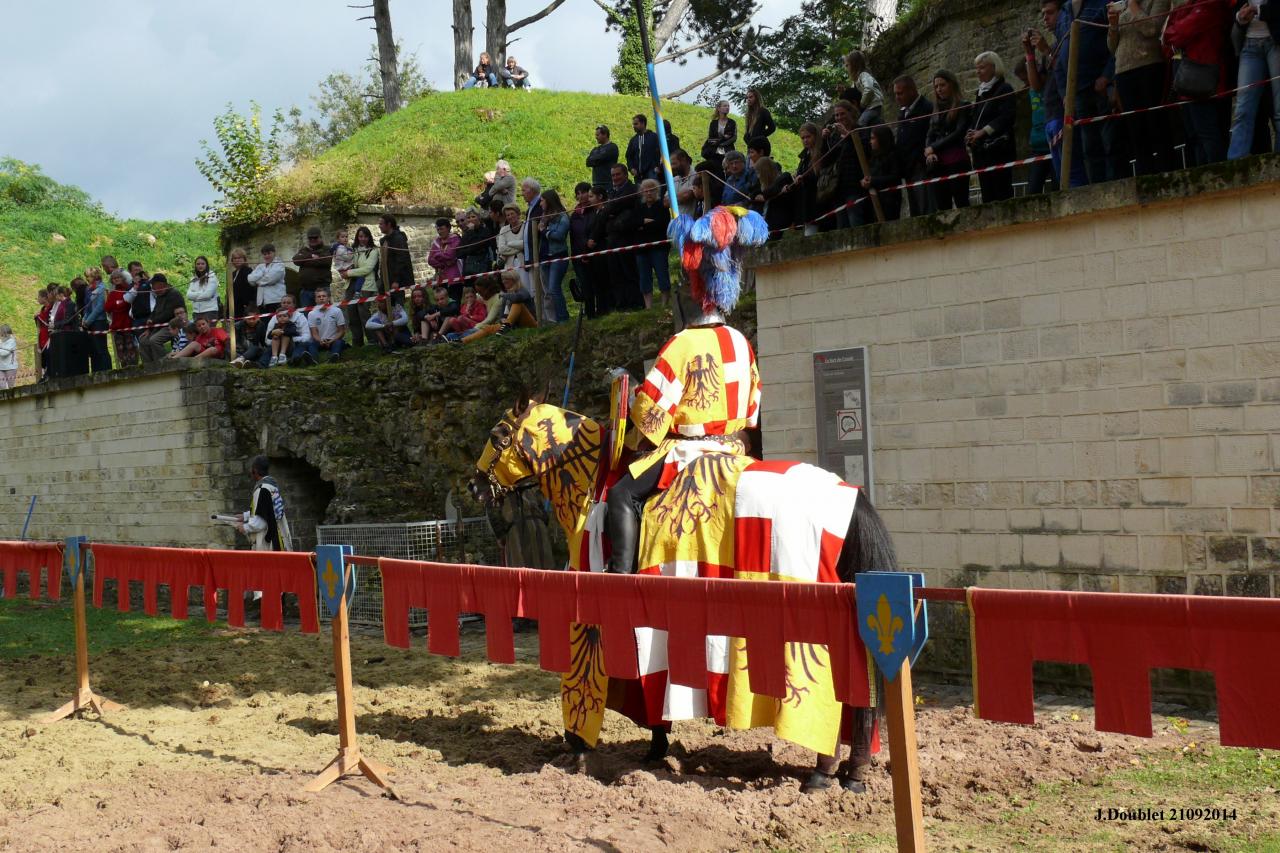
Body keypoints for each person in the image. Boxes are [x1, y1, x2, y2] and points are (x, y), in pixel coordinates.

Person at [606, 205, 763, 576]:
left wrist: (631, 407)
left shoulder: (680, 344)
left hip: (691, 450)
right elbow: (753, 405)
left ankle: (620, 579)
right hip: (736, 445)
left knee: (621, 495)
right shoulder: (742, 342)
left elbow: (651, 417)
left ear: (692, 294)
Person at [1107, 0, 1176, 175]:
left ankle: (1167, 173)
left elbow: (1151, 29)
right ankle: (1145, 178)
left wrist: (1134, 7)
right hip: (1123, 71)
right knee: (1135, 128)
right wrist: (1113, 25)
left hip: (1150, 66)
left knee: (1156, 123)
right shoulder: (1122, 5)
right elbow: (1111, 46)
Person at [1163, 0, 1235, 167]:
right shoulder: (1189, 7)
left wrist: (1175, 33)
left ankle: (1217, 177)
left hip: (1204, 80)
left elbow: (1177, 33)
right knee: (1195, 136)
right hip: (1193, 80)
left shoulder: (1210, 5)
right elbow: (1167, 35)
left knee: (1209, 134)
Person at [1054, 0, 1117, 185]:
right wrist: (1065, 92)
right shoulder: (1065, 11)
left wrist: (1107, 75)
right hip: (1077, 92)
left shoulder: (1101, 4)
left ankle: (1115, 185)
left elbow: (1116, 39)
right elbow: (1059, 55)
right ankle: (1096, 189)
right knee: (1089, 147)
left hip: (1101, 88)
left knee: (1110, 142)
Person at [1228, 0, 1280, 158]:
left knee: (1279, 110)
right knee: (1243, 109)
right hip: (1249, 45)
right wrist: (1239, 16)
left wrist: (1259, 10)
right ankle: (1235, 163)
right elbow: (1234, 7)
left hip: (1276, 43)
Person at [967, 52, 1017, 203]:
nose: (978, 72)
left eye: (982, 67)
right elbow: (976, 118)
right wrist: (970, 133)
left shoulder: (1005, 89)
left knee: (1002, 196)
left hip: (998, 151)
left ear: (994, 67)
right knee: (987, 198)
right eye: (977, 68)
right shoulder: (980, 93)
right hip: (982, 154)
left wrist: (983, 131)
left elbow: (1006, 117)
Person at [924, 70, 972, 211]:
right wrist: (929, 152)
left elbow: (958, 133)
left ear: (951, 84)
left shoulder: (963, 105)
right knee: (942, 205)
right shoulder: (936, 109)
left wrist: (934, 148)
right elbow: (930, 133)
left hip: (957, 161)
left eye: (942, 85)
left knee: (961, 202)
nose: (939, 89)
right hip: (938, 164)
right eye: (936, 86)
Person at [892, 75, 935, 217]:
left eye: (900, 93)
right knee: (915, 210)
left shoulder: (926, 108)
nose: (897, 97)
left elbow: (928, 135)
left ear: (911, 91)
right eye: (895, 94)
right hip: (908, 168)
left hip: (920, 166)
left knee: (926, 209)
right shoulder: (903, 112)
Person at [601, 163, 641, 310]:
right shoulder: (611, 192)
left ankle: (635, 302)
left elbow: (614, 207)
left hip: (626, 237)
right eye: (613, 175)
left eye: (618, 174)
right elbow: (607, 211)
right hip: (612, 237)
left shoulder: (632, 189)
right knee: (616, 273)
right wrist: (610, 210)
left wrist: (610, 209)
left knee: (629, 271)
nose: (615, 178)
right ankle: (621, 304)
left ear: (625, 174)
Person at [823, 100, 867, 228]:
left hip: (855, 184)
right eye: (836, 115)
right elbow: (827, 159)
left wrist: (847, 136)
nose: (839, 118)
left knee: (855, 221)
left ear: (851, 113)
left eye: (842, 114)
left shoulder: (860, 130)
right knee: (841, 225)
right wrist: (824, 141)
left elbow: (864, 151)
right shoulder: (835, 136)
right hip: (838, 186)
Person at [234, 456, 292, 552]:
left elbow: (261, 521)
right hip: (278, 536)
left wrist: (245, 527)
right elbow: (268, 510)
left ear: (255, 470)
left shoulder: (262, 489)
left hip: (269, 542)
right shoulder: (271, 487)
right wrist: (245, 516)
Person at [462, 269, 537, 343]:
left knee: (517, 303)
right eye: (503, 279)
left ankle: (507, 325)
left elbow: (517, 298)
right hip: (513, 326)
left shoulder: (522, 291)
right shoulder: (505, 296)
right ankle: (463, 341)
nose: (504, 281)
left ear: (514, 279)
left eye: (506, 279)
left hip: (529, 324)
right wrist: (502, 319)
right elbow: (502, 316)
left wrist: (503, 295)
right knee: (488, 328)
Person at [633, 179, 671, 309]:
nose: (649, 193)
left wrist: (643, 225)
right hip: (641, 249)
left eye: (652, 190)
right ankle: (648, 306)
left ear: (657, 191)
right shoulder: (639, 207)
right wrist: (643, 222)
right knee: (644, 277)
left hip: (658, 247)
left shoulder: (662, 206)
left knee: (662, 274)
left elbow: (662, 224)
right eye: (646, 190)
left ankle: (664, 304)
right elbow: (632, 224)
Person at [340, 225, 379, 347]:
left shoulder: (373, 250)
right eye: (360, 236)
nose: (362, 239)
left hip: (366, 284)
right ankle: (357, 342)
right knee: (351, 313)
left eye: (365, 236)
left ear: (369, 237)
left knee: (363, 312)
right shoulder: (353, 249)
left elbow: (367, 269)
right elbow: (345, 260)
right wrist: (343, 270)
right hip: (352, 283)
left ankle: (372, 340)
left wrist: (348, 273)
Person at [537, 188, 571, 323]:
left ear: (549, 201)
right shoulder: (544, 217)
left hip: (558, 255)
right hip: (545, 256)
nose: (540, 204)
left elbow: (559, 235)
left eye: (542, 201)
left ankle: (563, 318)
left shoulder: (562, 216)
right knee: (549, 291)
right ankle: (555, 319)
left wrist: (545, 231)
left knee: (554, 288)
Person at [858, 126, 904, 224]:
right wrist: (864, 182)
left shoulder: (893, 155)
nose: (871, 141)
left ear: (882, 138)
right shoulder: (874, 157)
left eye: (873, 138)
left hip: (890, 201)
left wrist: (873, 181)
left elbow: (895, 176)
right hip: (875, 201)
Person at [138, 274, 188, 363]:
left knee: (154, 340)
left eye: (153, 285)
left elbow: (168, 314)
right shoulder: (159, 296)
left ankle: (162, 364)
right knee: (142, 341)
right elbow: (155, 311)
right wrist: (149, 326)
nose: (152, 288)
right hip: (160, 325)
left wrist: (153, 321)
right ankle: (149, 366)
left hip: (172, 325)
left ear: (160, 284)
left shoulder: (174, 294)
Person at [570, 183, 602, 319]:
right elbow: (573, 237)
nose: (580, 196)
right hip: (578, 255)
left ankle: (602, 310)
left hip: (594, 253)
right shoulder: (574, 215)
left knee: (598, 284)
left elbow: (596, 231)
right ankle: (590, 314)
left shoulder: (595, 211)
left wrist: (588, 246)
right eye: (577, 193)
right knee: (585, 286)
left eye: (583, 192)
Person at [519, 177, 547, 315]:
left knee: (541, 289)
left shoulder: (540, 206)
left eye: (523, 190)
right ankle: (540, 319)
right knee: (534, 290)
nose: (522, 193)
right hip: (531, 256)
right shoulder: (531, 207)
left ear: (532, 191)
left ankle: (546, 319)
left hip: (540, 254)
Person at [264, 295, 313, 366]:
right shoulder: (274, 317)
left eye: (289, 303)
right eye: (283, 303)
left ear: (294, 305)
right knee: (270, 346)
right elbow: (267, 339)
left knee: (302, 345)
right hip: (277, 345)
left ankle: (293, 361)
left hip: (295, 344)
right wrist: (274, 336)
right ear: (280, 304)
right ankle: (261, 365)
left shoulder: (300, 317)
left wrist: (293, 339)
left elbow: (307, 336)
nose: (286, 305)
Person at [293, 226, 332, 310]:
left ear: (320, 237)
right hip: (306, 290)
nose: (313, 240)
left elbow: (326, 261)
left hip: (322, 289)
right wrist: (311, 256)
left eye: (315, 237)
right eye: (310, 238)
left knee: (324, 312)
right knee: (307, 316)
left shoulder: (327, 249)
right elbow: (296, 260)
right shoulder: (304, 250)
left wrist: (305, 260)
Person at [81, 268, 112, 373]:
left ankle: (106, 370)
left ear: (95, 276)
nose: (87, 279)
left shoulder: (102, 288)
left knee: (101, 349)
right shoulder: (88, 289)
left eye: (88, 277)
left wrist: (88, 320)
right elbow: (87, 306)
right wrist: (84, 318)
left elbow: (99, 307)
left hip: (99, 321)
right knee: (93, 350)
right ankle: (96, 371)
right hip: (90, 322)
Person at [104, 270, 137, 368]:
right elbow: (107, 307)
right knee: (120, 348)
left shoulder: (128, 289)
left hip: (127, 322)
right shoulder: (113, 293)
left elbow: (127, 303)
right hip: (117, 324)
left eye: (118, 277)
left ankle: (133, 365)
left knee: (130, 346)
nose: (116, 280)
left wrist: (118, 304)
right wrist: (118, 303)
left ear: (122, 278)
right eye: (114, 278)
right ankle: (124, 366)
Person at [753, 156, 794, 235]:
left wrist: (764, 196)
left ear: (765, 171)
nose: (758, 176)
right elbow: (753, 192)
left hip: (778, 224)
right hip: (766, 223)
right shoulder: (763, 185)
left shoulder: (783, 178)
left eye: (759, 172)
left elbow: (772, 190)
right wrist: (757, 195)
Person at [845, 51, 886, 128]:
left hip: (874, 105)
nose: (846, 67)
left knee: (860, 124)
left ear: (854, 65)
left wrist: (862, 103)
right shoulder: (858, 79)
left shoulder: (864, 75)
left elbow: (869, 89)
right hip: (872, 106)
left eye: (847, 65)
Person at [378, 213, 414, 302]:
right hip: (386, 279)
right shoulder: (384, 240)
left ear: (389, 224)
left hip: (396, 281)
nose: (379, 226)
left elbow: (401, 260)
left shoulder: (398, 239)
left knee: (397, 306)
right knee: (385, 305)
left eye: (381, 224)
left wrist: (396, 280)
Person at [427, 217, 463, 301]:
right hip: (441, 277)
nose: (439, 232)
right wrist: (445, 264)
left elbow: (450, 255)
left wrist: (438, 255)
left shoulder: (455, 239)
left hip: (454, 275)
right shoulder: (437, 242)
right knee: (442, 302)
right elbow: (430, 260)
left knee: (454, 300)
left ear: (448, 228)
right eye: (438, 229)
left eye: (442, 229)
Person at [308, 287, 348, 362]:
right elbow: (314, 333)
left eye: (324, 296)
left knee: (339, 343)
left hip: (334, 340)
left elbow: (341, 331)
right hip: (320, 341)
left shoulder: (337, 311)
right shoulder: (311, 313)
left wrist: (332, 341)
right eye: (319, 297)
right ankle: (313, 360)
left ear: (329, 298)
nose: (321, 298)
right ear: (315, 299)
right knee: (311, 345)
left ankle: (333, 358)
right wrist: (320, 341)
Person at [247, 244, 286, 316]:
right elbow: (250, 279)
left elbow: (271, 279)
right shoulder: (260, 266)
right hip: (261, 302)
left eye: (269, 253)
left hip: (275, 300)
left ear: (274, 253)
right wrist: (262, 275)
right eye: (264, 254)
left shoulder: (279, 264)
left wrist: (258, 281)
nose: (266, 256)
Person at [701, 100, 738, 167]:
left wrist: (722, 144)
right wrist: (723, 138)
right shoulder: (713, 123)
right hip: (714, 151)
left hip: (728, 150)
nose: (727, 107)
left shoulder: (732, 122)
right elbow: (711, 138)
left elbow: (733, 138)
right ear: (718, 108)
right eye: (725, 106)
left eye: (728, 106)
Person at [627, 114, 662, 182]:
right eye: (633, 124)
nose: (633, 126)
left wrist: (658, 167)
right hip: (638, 176)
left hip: (652, 173)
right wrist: (631, 168)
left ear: (643, 123)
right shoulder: (633, 140)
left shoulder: (654, 137)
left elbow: (661, 153)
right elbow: (629, 156)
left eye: (636, 124)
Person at [187, 255, 221, 323]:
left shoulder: (212, 278)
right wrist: (202, 293)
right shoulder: (194, 279)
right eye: (198, 264)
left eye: (202, 263)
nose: (200, 266)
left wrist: (195, 297)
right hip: (196, 312)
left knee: (209, 332)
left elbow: (208, 295)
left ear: (206, 265)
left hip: (209, 311)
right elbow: (188, 295)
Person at [586, 124, 619, 190]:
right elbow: (588, 162)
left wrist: (595, 159)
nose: (596, 137)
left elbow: (601, 158)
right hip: (596, 183)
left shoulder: (612, 147)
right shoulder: (595, 149)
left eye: (598, 135)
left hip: (608, 183)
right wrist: (598, 159)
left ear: (605, 134)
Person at [228, 248, 254, 321]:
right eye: (235, 258)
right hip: (234, 307)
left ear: (244, 259)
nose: (237, 260)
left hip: (244, 307)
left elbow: (249, 289)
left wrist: (247, 304)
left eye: (239, 258)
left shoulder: (248, 271)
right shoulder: (233, 274)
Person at [496, 204, 524, 271]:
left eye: (512, 213)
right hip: (509, 266)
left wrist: (509, 244)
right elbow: (502, 249)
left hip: (524, 264)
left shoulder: (526, 226)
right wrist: (520, 247)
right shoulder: (504, 230)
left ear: (518, 214)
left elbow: (526, 244)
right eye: (508, 215)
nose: (510, 216)